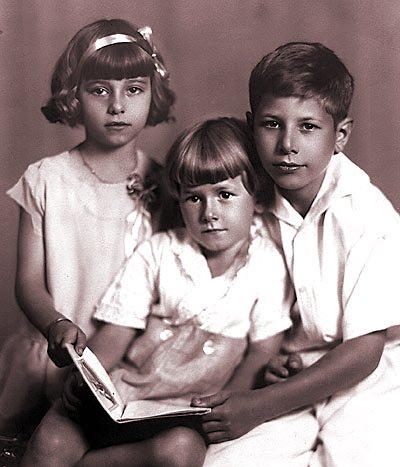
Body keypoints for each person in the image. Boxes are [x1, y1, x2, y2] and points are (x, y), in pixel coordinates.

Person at [20, 117, 293, 467]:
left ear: (257, 197)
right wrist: (88, 378)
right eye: (194, 198)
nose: (209, 213)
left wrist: (228, 401)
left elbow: (262, 352)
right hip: (127, 393)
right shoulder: (160, 251)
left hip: (185, 409)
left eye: (224, 195)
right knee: (52, 436)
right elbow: (118, 333)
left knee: (180, 451)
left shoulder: (267, 264)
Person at [194, 42, 400, 466]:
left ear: (340, 135)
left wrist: (259, 405)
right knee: (220, 463)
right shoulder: (247, 201)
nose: (287, 144)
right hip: (288, 373)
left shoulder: (368, 216)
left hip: (370, 379)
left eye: (308, 127)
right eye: (272, 124)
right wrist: (264, 378)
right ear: (252, 126)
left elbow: (365, 351)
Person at [1, 18, 175, 438]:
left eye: (133, 89)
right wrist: (55, 325)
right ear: (74, 96)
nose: (117, 105)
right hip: (58, 352)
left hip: (131, 359)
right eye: (100, 90)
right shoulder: (46, 179)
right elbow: (28, 282)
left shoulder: (166, 183)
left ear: (152, 95)